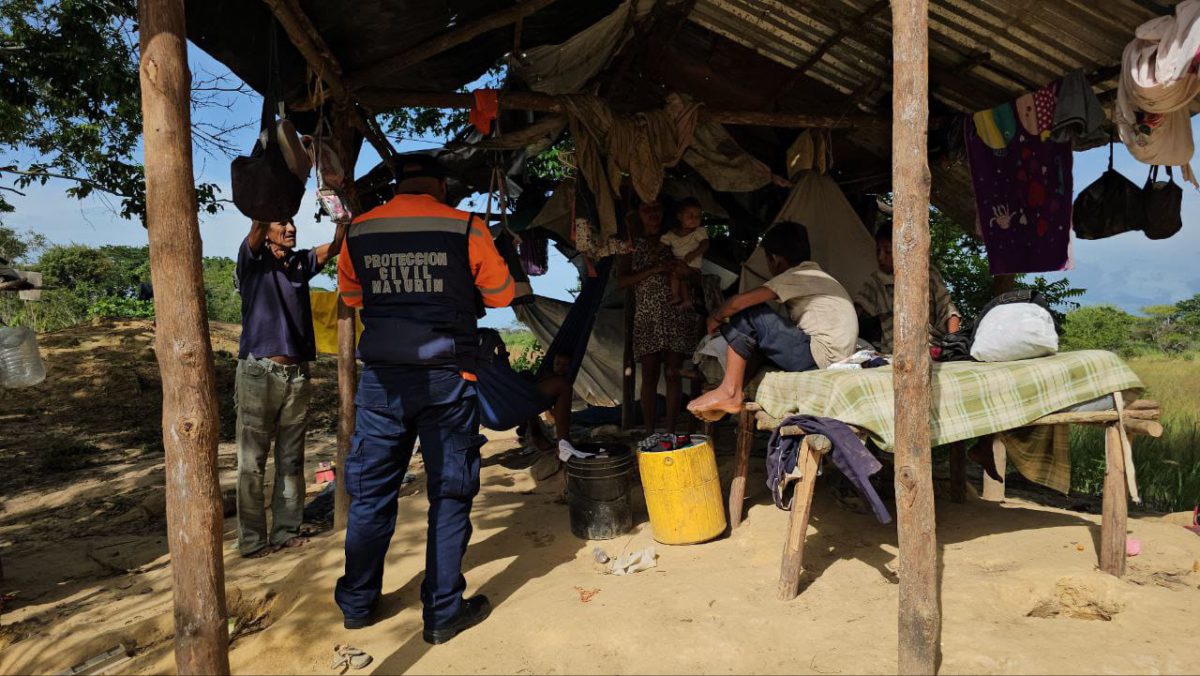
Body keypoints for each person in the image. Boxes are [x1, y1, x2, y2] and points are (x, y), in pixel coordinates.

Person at [334, 154, 514, 644]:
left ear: (397, 186)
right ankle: (441, 614)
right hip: (447, 378)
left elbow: (352, 298)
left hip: (382, 381)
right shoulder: (467, 227)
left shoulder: (360, 230)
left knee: (371, 495)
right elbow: (500, 294)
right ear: (440, 185)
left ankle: (358, 603)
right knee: (450, 493)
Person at [235, 217, 346, 559]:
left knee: (291, 459)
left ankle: (285, 532)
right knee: (251, 462)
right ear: (265, 230)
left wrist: (342, 221)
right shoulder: (252, 260)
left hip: (297, 374)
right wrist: (264, 205)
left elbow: (337, 246)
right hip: (258, 371)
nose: (290, 228)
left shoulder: (300, 263)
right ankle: (253, 541)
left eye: (293, 222)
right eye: (281, 223)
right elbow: (254, 228)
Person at [687, 221, 857, 419]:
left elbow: (737, 303)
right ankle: (735, 389)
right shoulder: (818, 275)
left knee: (750, 313)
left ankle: (729, 392)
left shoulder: (797, 274)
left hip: (820, 357)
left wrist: (714, 317)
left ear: (775, 259)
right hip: (832, 357)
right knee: (757, 340)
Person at [616, 199, 700, 434]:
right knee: (649, 374)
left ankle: (671, 430)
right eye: (646, 209)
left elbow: (696, 274)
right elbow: (622, 281)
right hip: (647, 317)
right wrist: (654, 269)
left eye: (657, 208)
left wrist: (685, 272)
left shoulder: (676, 238)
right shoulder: (631, 245)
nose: (653, 214)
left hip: (676, 313)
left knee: (674, 372)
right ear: (639, 214)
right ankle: (650, 431)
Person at [854, 221, 960, 353]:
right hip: (893, 354)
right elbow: (854, 313)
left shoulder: (928, 274)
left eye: (887, 251)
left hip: (930, 349)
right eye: (878, 251)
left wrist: (955, 347)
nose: (880, 257)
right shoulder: (876, 281)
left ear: (903, 249)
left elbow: (949, 312)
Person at [660, 197, 709, 308]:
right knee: (675, 275)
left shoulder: (699, 231)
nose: (694, 219)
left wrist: (694, 253)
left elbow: (705, 244)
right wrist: (655, 253)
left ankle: (684, 299)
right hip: (679, 263)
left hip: (692, 266)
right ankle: (677, 296)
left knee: (682, 277)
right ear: (680, 217)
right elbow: (662, 243)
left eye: (697, 216)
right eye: (690, 215)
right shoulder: (672, 234)